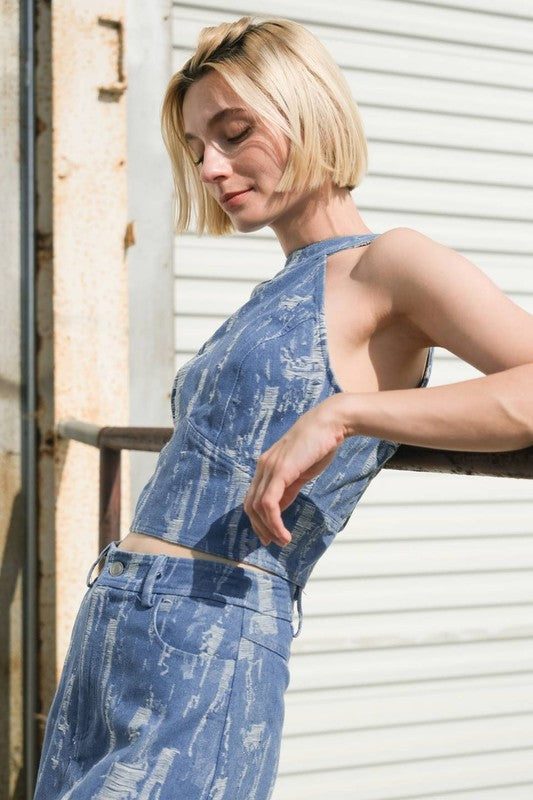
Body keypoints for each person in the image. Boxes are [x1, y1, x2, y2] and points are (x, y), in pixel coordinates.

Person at [33, 14, 533, 800]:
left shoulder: (388, 264)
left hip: (213, 631)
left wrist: (346, 415)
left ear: (309, 114)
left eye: (234, 133)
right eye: (197, 149)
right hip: (114, 617)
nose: (212, 167)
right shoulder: (281, 286)